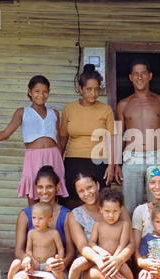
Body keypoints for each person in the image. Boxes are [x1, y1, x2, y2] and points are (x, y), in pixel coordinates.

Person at [0, 75, 68, 206]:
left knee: (51, 200)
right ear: (29, 92)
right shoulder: (22, 112)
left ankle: (51, 227)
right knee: (33, 199)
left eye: (45, 91)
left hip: (53, 158)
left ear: (48, 93)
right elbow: (6, 133)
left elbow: (58, 142)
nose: (41, 95)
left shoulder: (55, 113)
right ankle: (32, 226)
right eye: (37, 91)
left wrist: (62, 169)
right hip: (33, 158)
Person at [114, 58, 160, 216]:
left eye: (143, 73)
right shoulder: (123, 104)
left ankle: (157, 240)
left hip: (156, 157)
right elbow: (119, 135)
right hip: (131, 158)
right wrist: (116, 163)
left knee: (159, 207)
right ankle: (134, 241)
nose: (139, 77)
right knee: (130, 208)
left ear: (150, 76)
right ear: (130, 77)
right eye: (136, 74)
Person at [68, 171, 138, 279]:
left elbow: (131, 243)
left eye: (89, 187)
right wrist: (99, 260)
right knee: (106, 273)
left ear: (97, 185)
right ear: (77, 193)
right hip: (90, 267)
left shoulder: (115, 207)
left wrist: (118, 260)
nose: (87, 193)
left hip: (119, 263)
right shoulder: (75, 215)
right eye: (81, 191)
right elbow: (82, 246)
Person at [8, 165, 74, 279]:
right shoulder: (25, 214)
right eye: (40, 187)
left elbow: (71, 251)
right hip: (31, 267)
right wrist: (26, 258)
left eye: (49, 186)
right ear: (35, 188)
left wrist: (62, 264)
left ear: (57, 187)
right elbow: (19, 250)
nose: (44, 191)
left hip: (53, 269)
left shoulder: (66, 215)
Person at [60, 64, 116, 210]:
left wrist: (111, 165)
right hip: (73, 162)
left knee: (99, 203)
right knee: (72, 203)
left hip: (99, 163)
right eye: (89, 89)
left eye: (97, 89)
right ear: (80, 89)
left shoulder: (106, 110)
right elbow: (62, 139)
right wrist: (58, 166)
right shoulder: (69, 109)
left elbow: (112, 139)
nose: (93, 93)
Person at [0, 202, 68, 279]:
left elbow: (60, 249)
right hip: (34, 266)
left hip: (47, 267)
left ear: (50, 220)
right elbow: (28, 249)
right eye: (34, 218)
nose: (36, 222)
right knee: (16, 262)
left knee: (52, 262)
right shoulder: (31, 233)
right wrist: (30, 259)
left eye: (40, 218)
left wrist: (59, 260)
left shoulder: (54, 233)